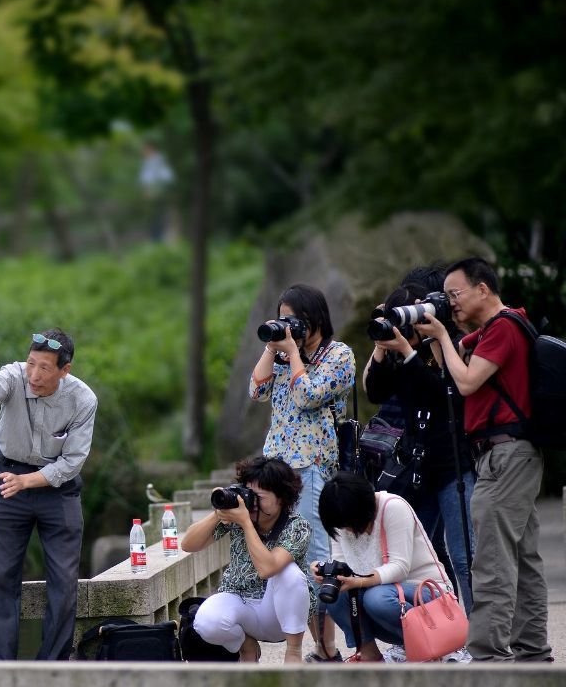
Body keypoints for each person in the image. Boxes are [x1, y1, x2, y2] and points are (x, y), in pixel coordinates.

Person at [414, 257, 551, 663]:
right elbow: (450, 367)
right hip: (512, 456)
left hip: (505, 457)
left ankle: (488, 654)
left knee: (489, 558)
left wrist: (441, 332)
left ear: (483, 290)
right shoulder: (492, 331)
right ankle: (532, 650)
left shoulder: (504, 327)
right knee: (523, 557)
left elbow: (468, 382)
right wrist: (435, 332)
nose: (451, 303)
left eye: (455, 294)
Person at [0, 329, 97, 660]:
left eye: (44, 368)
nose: (34, 375)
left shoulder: (83, 399)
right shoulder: (13, 376)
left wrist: (29, 481)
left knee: (65, 585)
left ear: (64, 370)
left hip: (58, 489)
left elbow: (72, 462)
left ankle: (51, 669)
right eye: (31, 363)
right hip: (6, 482)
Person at [249, 283, 356, 661]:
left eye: (294, 320)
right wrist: (271, 345)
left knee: (315, 557)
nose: (288, 327)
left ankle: (328, 646)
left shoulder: (338, 355)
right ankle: (317, 645)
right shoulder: (280, 356)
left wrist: (293, 353)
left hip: (312, 466)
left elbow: (307, 395)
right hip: (275, 469)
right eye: (283, 319)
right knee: (289, 558)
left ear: (315, 319)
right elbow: (256, 391)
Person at [363, 279, 476, 613]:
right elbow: (375, 392)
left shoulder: (448, 344)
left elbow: (443, 395)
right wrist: (382, 345)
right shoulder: (400, 354)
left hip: (453, 465)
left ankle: (475, 634)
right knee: (415, 557)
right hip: (417, 469)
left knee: (462, 555)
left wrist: (412, 351)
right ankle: (426, 627)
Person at [180, 456, 315, 664]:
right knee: (206, 623)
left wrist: (245, 523)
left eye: (258, 496)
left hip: (278, 615)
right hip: (239, 600)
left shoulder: (297, 526)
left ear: (282, 498)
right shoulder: (238, 517)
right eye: (248, 493)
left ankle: (294, 651)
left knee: (291, 574)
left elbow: (267, 568)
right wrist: (219, 512)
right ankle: (246, 645)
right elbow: (188, 544)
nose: (251, 502)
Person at [314, 472, 456, 662]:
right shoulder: (342, 518)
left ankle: (428, 650)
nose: (346, 530)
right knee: (336, 593)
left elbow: (400, 567)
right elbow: (344, 564)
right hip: (390, 601)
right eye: (341, 526)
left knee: (377, 598)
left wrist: (360, 582)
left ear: (362, 509)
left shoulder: (392, 507)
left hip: (429, 595)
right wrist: (329, 573)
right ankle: (369, 653)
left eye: (348, 524)